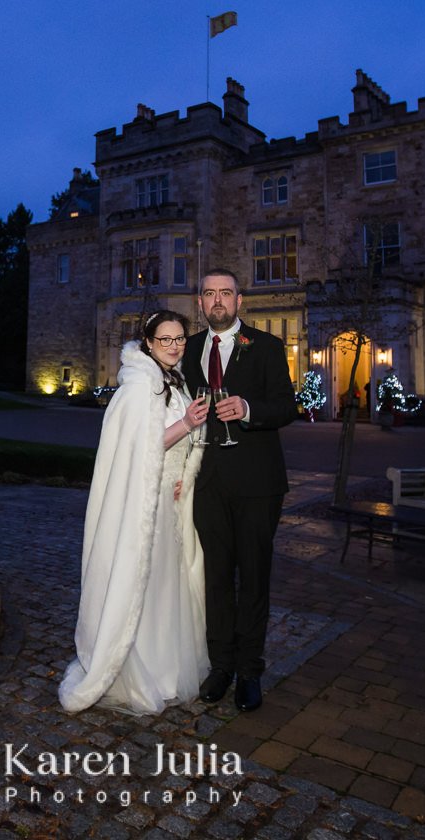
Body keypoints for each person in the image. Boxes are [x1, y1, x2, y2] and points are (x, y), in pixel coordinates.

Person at [58, 310, 212, 714]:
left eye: (180, 339)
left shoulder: (172, 382)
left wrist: (186, 471)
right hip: (144, 504)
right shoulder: (137, 387)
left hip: (170, 500)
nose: (175, 346)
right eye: (166, 340)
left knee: (165, 585)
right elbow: (136, 449)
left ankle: (164, 669)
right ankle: (136, 666)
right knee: (140, 583)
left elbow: (179, 444)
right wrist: (186, 424)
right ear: (148, 342)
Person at [183, 269, 298, 712]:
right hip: (207, 483)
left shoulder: (266, 347)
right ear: (199, 302)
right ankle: (220, 666)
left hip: (257, 484)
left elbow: (287, 406)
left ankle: (250, 670)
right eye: (209, 293)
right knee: (215, 579)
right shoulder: (189, 349)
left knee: (253, 578)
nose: (218, 301)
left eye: (225, 294)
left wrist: (249, 409)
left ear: (240, 300)